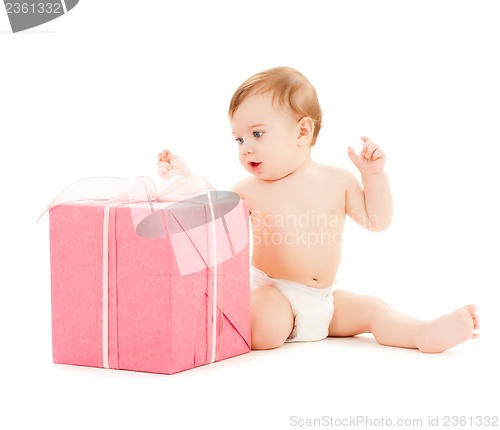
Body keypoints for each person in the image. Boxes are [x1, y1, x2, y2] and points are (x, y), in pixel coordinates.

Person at [159, 66, 479, 353]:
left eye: (257, 134)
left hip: (324, 300)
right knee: (265, 325)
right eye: (239, 139)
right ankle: (224, 322)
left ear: (302, 132)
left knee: (373, 309)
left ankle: (421, 333)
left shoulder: (338, 180)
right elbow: (211, 218)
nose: (247, 148)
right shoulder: (247, 190)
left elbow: (377, 220)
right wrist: (184, 178)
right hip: (275, 292)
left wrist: (374, 176)